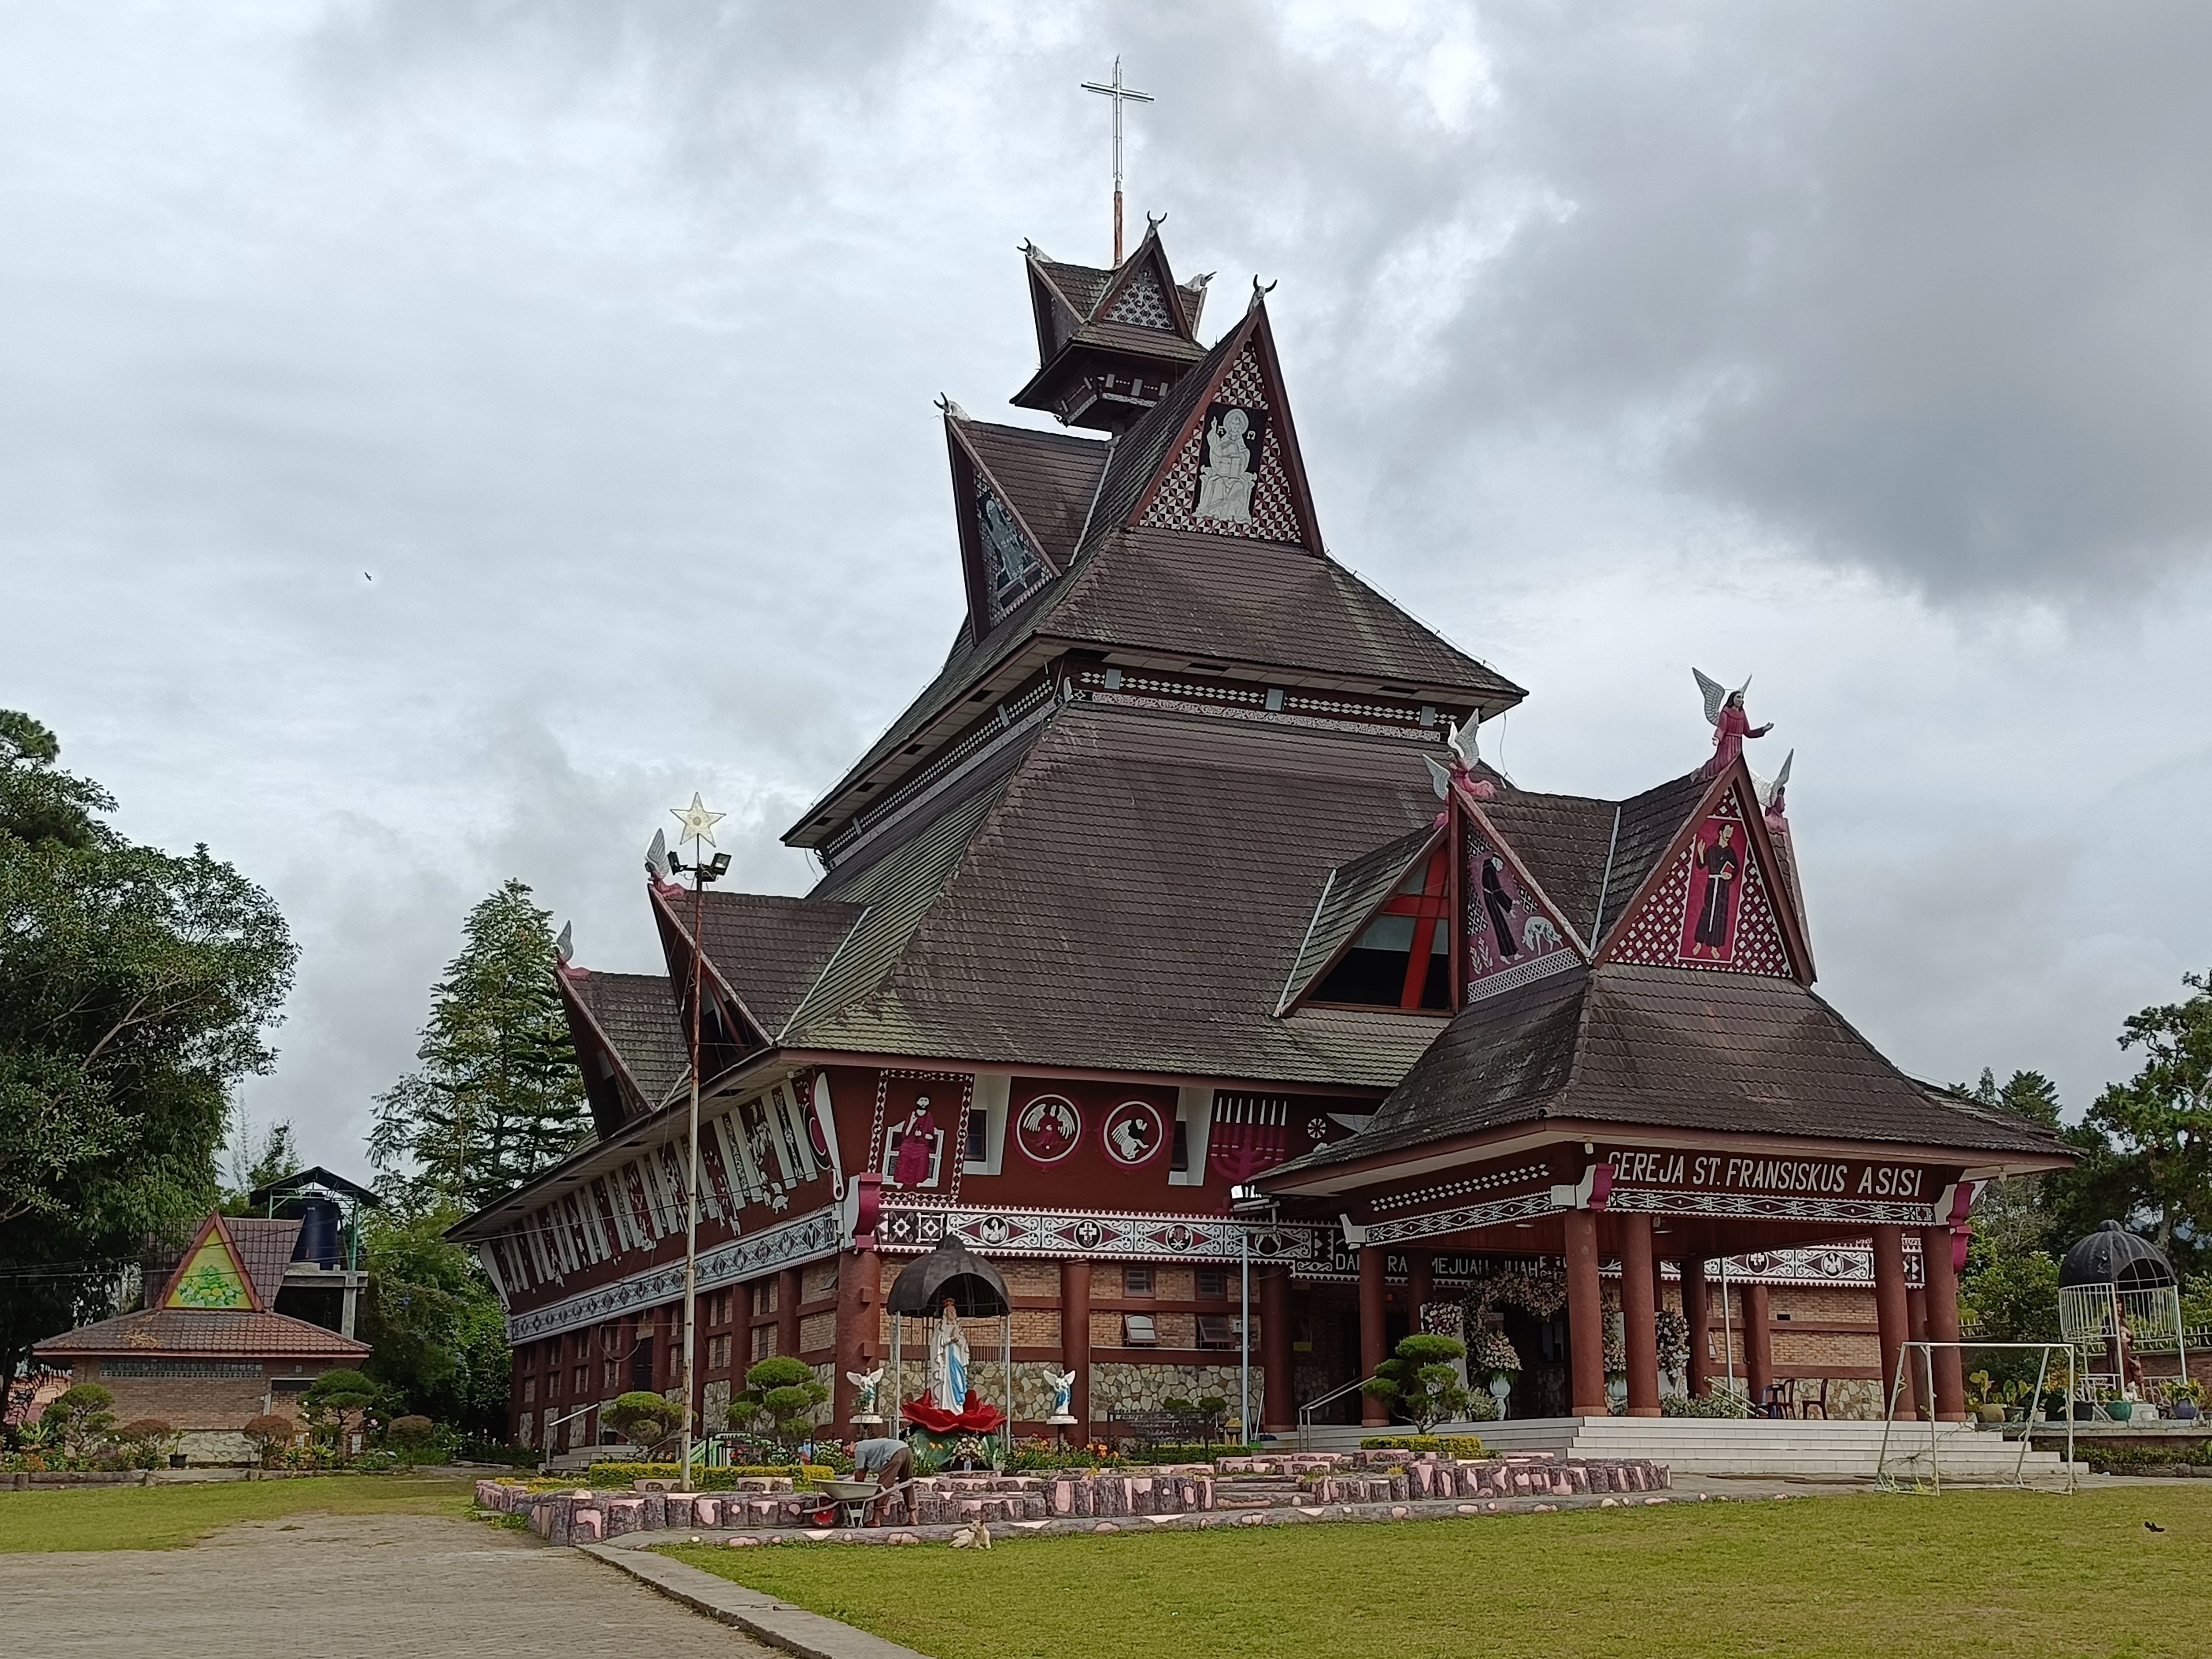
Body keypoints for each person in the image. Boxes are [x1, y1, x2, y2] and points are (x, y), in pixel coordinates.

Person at [848, 1433, 915, 1526]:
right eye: (846, 1454)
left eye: (848, 1450)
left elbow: (860, 1473)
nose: (849, 1454)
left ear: (853, 1444)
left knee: (883, 1486)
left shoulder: (859, 1449)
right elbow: (864, 1471)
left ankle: (876, 1520)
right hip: (906, 1450)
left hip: (895, 1453)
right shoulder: (867, 1446)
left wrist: (857, 1491)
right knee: (907, 1483)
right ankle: (913, 1518)